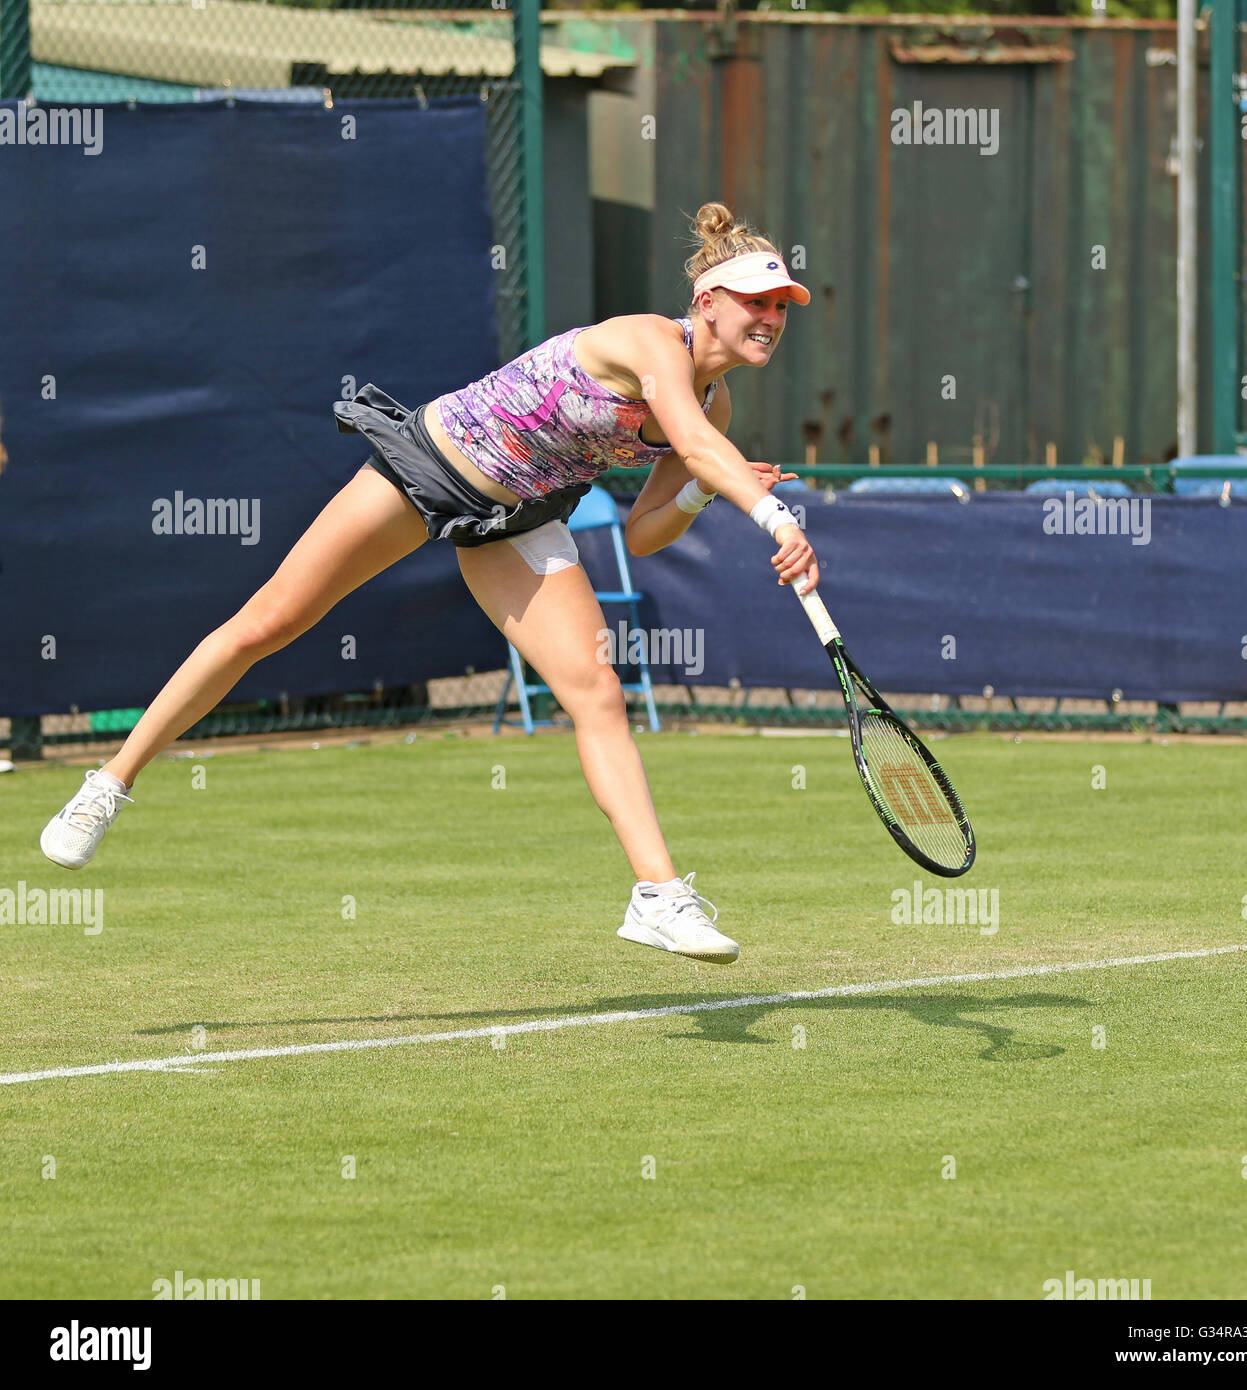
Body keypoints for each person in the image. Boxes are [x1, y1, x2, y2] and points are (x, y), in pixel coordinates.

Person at [40, 201, 819, 964]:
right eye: (757, 301)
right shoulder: (653, 343)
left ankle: (656, 896)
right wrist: (776, 518)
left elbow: (647, 534)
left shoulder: (714, 403)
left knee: (597, 690)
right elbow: (688, 438)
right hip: (432, 467)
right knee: (267, 624)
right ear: (707, 301)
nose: (771, 318)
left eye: (782, 305)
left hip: (517, 517)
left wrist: (699, 491)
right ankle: (109, 782)